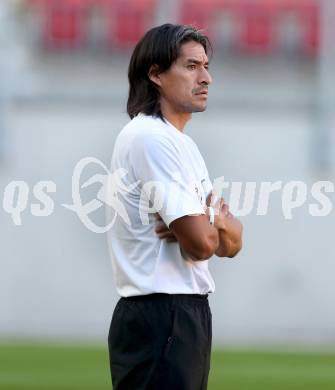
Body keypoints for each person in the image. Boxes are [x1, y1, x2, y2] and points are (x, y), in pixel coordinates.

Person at [106, 23, 243, 390]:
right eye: (191, 66)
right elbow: (203, 245)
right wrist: (212, 225)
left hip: (184, 313)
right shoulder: (151, 137)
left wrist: (209, 220)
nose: (206, 78)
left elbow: (232, 243)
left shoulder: (182, 144)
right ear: (155, 74)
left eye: (206, 65)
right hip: (161, 316)